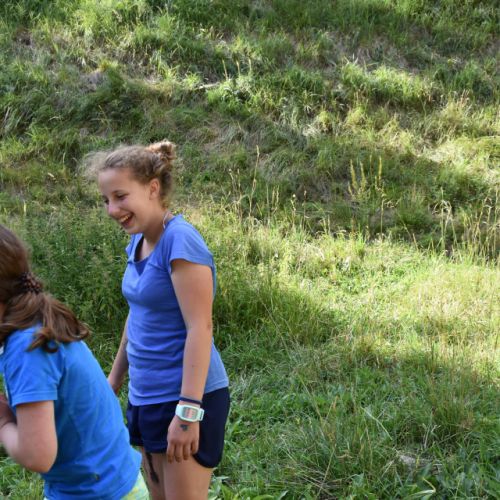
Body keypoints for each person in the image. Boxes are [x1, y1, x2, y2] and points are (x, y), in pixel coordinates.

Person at [89, 140, 230, 500]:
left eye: (120, 196)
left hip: (185, 397)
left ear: (153, 188)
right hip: (146, 396)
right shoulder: (138, 242)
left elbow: (201, 327)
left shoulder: (180, 242)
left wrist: (188, 412)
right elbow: (138, 315)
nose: (112, 209)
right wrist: (114, 380)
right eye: (106, 200)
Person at [0, 225, 148, 499]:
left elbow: (37, 456)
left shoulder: (27, 348)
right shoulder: (34, 321)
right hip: (109, 481)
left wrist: (3, 422)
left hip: (96, 492)